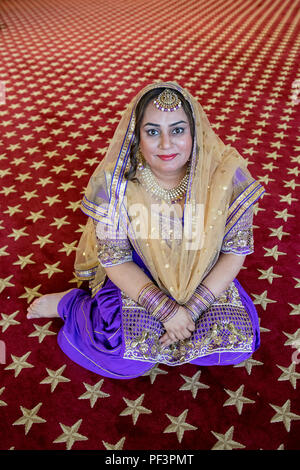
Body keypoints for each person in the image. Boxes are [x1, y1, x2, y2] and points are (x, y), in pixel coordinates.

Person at [27, 82, 265, 379]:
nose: (166, 144)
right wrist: (167, 312)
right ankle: (70, 304)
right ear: (137, 136)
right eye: (152, 132)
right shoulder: (115, 185)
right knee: (125, 359)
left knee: (236, 346)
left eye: (178, 130)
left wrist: (189, 311)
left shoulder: (227, 176)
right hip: (138, 279)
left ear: (195, 133)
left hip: (201, 276)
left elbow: (233, 253)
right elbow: (115, 259)